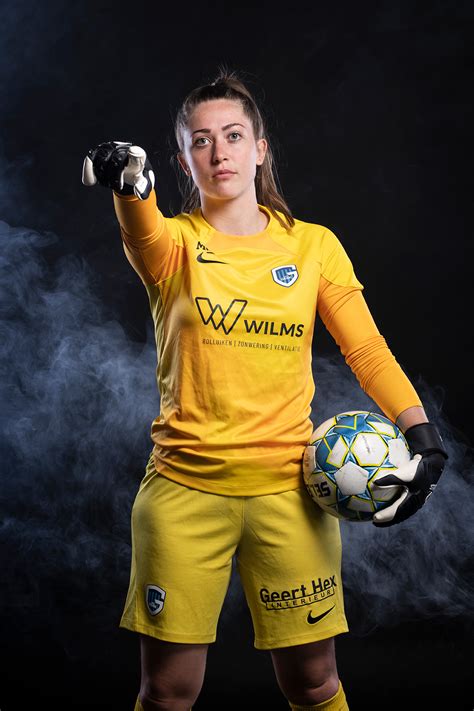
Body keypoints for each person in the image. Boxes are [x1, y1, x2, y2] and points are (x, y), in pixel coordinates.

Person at [82, 69, 447, 711]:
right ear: (184, 161)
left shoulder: (313, 246)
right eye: (200, 141)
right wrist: (133, 185)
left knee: (314, 683)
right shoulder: (175, 245)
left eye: (232, 136)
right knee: (167, 691)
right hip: (183, 492)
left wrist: (423, 435)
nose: (218, 153)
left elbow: (366, 350)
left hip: (292, 496)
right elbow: (144, 228)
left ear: (260, 149)